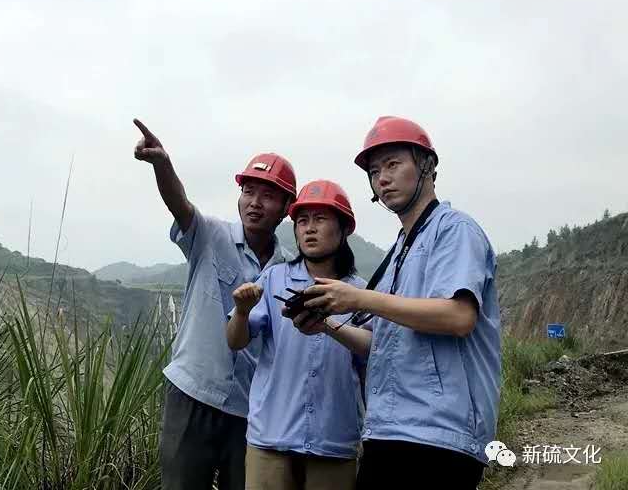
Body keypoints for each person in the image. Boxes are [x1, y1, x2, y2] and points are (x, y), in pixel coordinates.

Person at [300, 116, 502, 489]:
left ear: (426, 164)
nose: (383, 179)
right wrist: (326, 325)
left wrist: (360, 298)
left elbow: (459, 317)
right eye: (374, 172)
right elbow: (380, 344)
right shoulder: (398, 252)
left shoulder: (455, 230)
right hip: (388, 428)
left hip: (441, 435)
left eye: (393, 164)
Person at [133, 118, 297, 490]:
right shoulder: (210, 236)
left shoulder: (287, 269)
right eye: (249, 191)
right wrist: (162, 164)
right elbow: (180, 204)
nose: (255, 203)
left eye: (268, 195)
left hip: (249, 409)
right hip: (192, 395)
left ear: (287, 207)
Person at [226, 180, 368, 490]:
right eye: (302, 221)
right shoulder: (273, 279)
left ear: (344, 228)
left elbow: (372, 355)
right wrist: (242, 312)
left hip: (334, 441)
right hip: (270, 438)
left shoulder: (360, 293)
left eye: (320, 219)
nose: (309, 229)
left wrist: (329, 327)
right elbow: (235, 341)